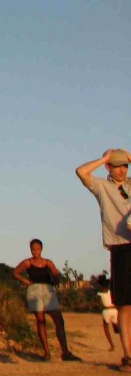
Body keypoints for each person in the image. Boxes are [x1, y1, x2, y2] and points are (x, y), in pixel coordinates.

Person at [78, 148, 131, 371]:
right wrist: (105, 159)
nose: (122, 170)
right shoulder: (102, 187)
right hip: (120, 249)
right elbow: (81, 172)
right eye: (117, 166)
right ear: (109, 168)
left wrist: (129, 157)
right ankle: (129, 357)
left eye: (125, 166)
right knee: (125, 307)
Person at [13, 239, 78, 361]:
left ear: (41, 249)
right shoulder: (28, 263)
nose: (35, 251)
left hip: (48, 290)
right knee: (41, 321)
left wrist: (55, 281)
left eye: (37, 249)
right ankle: (46, 352)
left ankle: (65, 352)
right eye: (33, 249)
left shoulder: (48, 263)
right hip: (35, 291)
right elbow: (16, 272)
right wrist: (27, 282)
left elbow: (56, 274)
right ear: (30, 250)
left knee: (59, 320)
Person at [100, 276, 121, 351]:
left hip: (106, 310)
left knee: (106, 328)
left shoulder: (99, 294)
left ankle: (112, 345)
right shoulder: (111, 292)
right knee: (119, 327)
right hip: (114, 310)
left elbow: (100, 304)